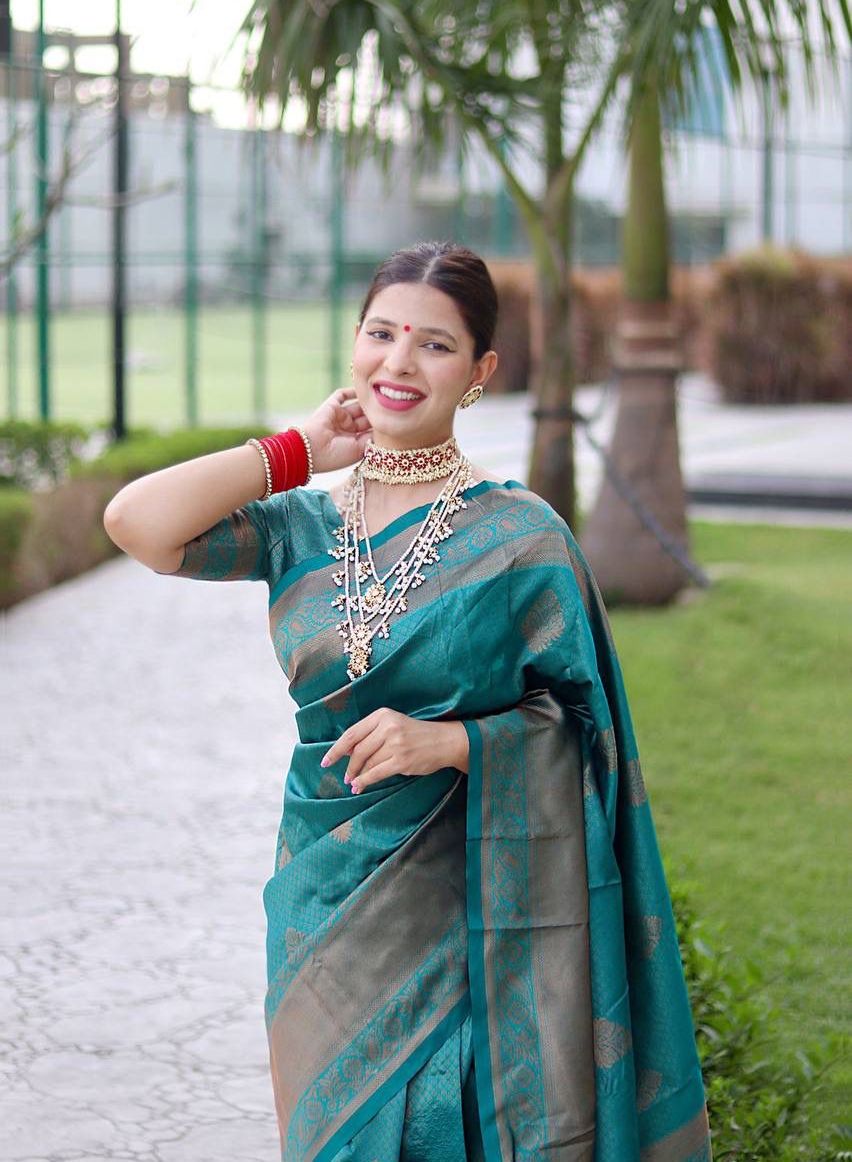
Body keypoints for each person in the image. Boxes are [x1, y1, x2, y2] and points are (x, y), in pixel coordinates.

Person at [103, 241, 712, 1162]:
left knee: (459, 1124)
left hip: (477, 898)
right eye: (381, 334)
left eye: (434, 345)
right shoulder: (298, 524)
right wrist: (295, 452)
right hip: (326, 896)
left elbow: (590, 736)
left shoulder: (520, 537)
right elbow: (137, 525)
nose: (398, 363)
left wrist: (458, 744)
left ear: (479, 372)